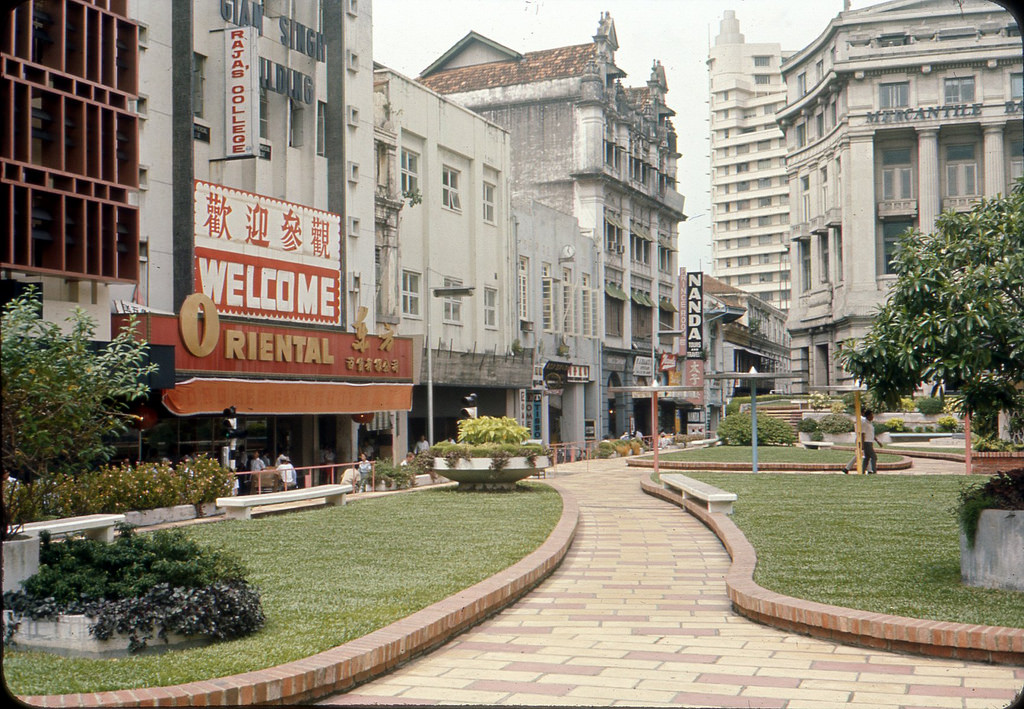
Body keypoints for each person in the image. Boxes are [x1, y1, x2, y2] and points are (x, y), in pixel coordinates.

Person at [842, 410, 878, 474]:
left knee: (865, 456)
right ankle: (869, 470)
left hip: (865, 440)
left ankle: (866, 470)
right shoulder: (862, 420)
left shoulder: (864, 420)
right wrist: (862, 443)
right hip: (863, 440)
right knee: (865, 455)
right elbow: (862, 433)